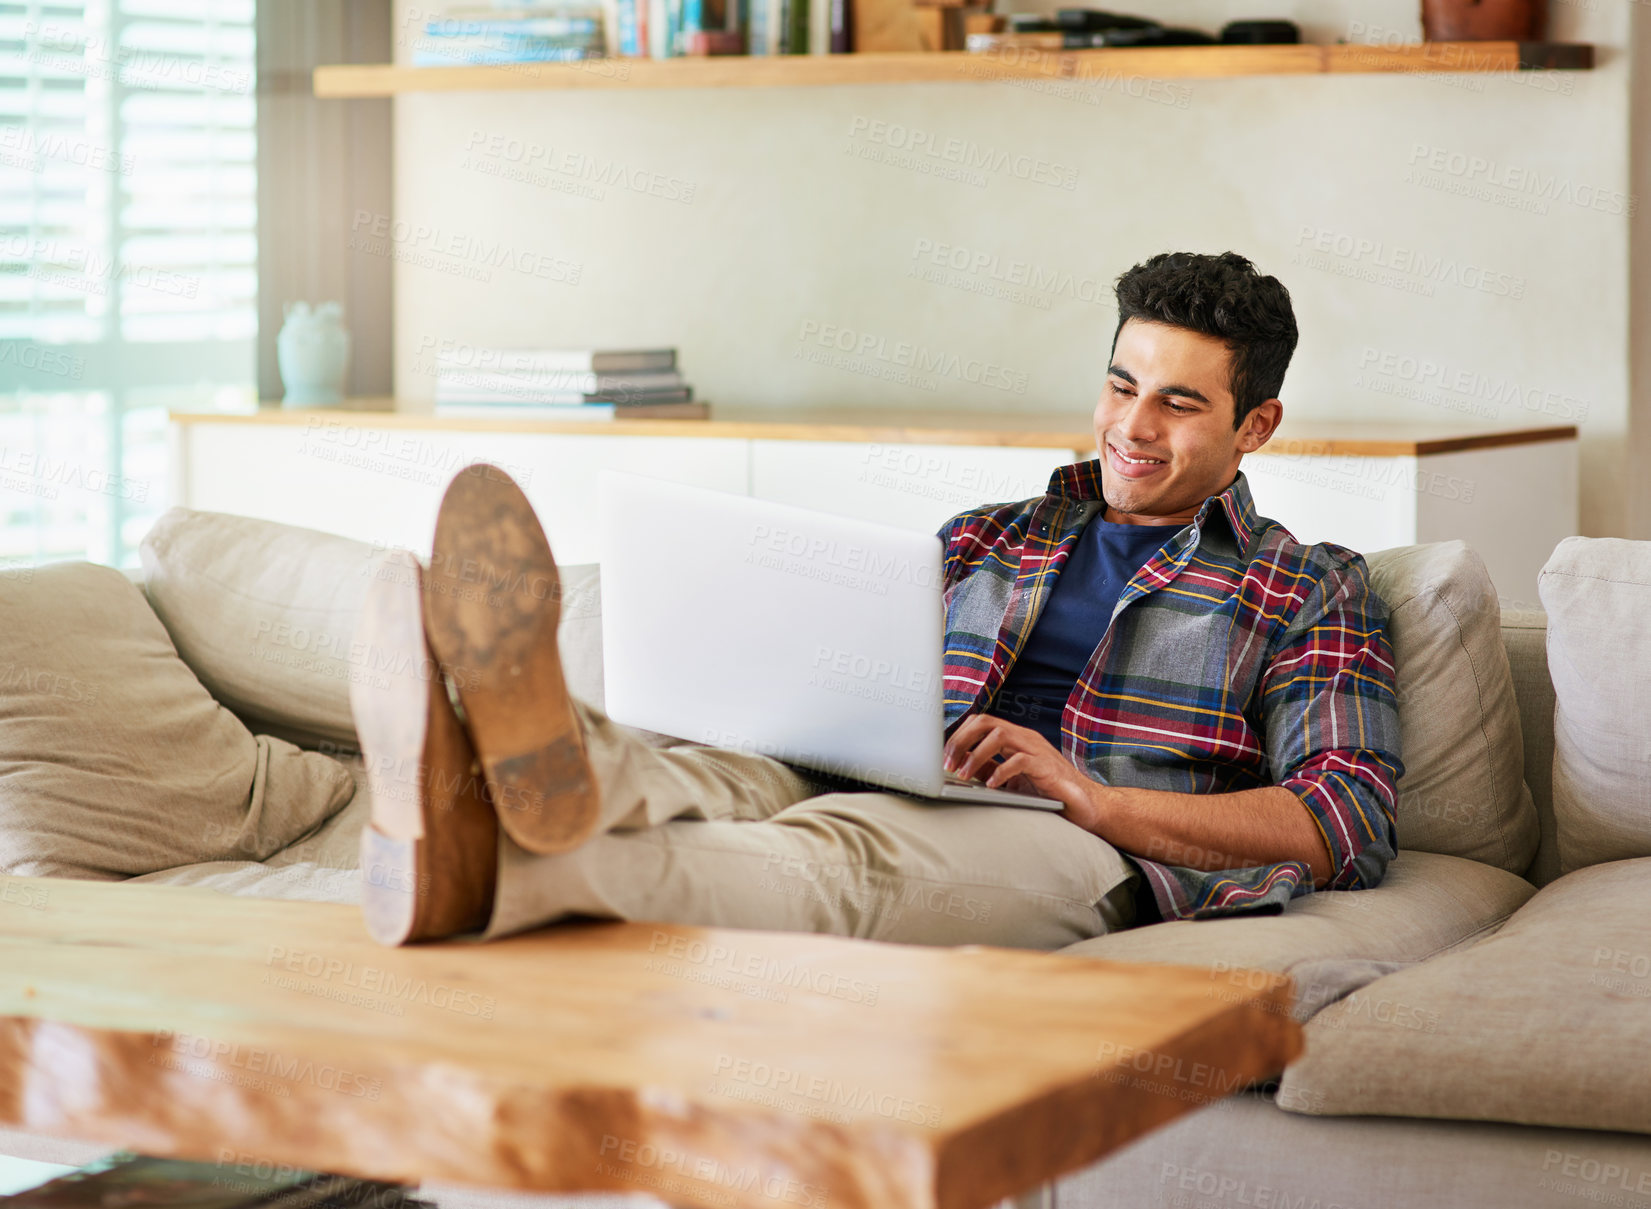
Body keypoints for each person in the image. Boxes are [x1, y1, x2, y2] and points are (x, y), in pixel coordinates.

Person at [353, 250, 1404, 949]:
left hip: (1079, 839)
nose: (1132, 426)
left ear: (1255, 426)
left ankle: (480, 866)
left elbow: (1342, 817)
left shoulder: (1308, 584)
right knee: (708, 773)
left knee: (828, 862)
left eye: (1179, 403)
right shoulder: (991, 535)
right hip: (892, 769)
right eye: (1121, 386)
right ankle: (505, 751)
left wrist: (1090, 795)